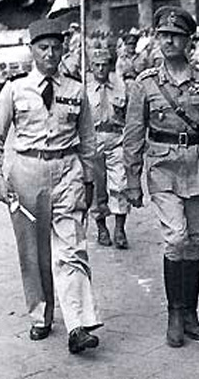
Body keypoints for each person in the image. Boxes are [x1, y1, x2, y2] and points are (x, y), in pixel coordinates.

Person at [123, 6, 199, 348]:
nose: (168, 41)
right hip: (163, 169)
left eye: (175, 35)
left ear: (189, 40)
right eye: (163, 35)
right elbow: (133, 134)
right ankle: (174, 313)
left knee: (194, 241)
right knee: (175, 238)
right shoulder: (145, 83)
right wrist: (132, 180)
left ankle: (190, 313)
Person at [0, 18, 102, 354]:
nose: (50, 54)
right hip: (26, 172)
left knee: (73, 249)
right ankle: (41, 316)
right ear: (32, 50)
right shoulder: (15, 89)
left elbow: (89, 140)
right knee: (33, 253)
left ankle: (78, 324)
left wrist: (89, 178)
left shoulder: (75, 90)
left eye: (56, 47)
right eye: (43, 48)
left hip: (67, 171)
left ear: (64, 48)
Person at [86, 47, 130, 249]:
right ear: (91, 66)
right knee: (96, 188)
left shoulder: (121, 85)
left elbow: (130, 114)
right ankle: (101, 227)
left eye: (105, 65)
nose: (101, 69)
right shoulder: (83, 88)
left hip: (116, 139)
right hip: (93, 141)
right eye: (97, 65)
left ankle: (120, 229)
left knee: (120, 185)